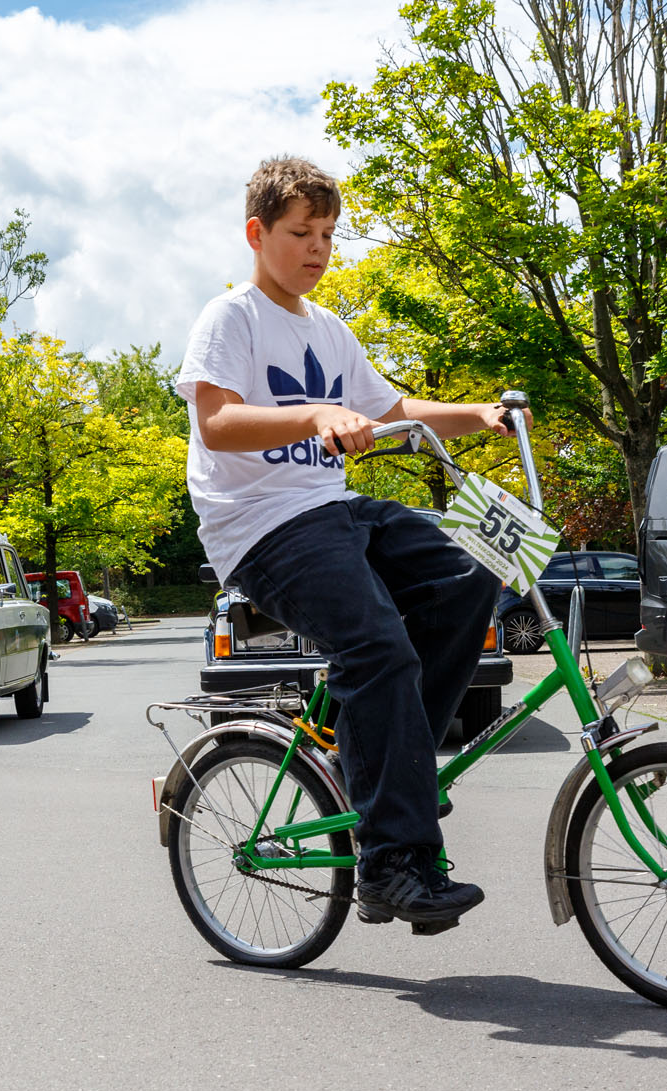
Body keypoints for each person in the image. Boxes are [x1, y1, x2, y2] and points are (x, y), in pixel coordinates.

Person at [176, 157, 532, 929]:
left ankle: (383, 771)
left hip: (333, 510)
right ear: (257, 234)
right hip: (262, 527)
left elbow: (391, 405)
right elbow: (217, 422)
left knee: (476, 573)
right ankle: (391, 866)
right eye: (301, 232)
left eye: (329, 234)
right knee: (378, 648)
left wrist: (477, 413)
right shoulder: (231, 318)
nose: (317, 248)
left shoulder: (330, 329)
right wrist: (313, 416)